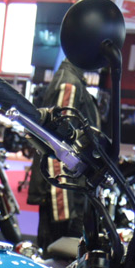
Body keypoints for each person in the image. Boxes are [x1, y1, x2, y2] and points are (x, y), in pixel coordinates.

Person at [27, 57, 100, 250]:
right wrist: (63, 207)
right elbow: (56, 143)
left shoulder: (73, 82)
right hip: (66, 196)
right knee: (58, 256)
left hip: (71, 192)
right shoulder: (69, 85)